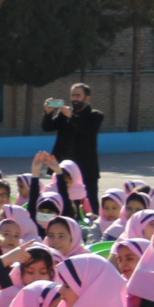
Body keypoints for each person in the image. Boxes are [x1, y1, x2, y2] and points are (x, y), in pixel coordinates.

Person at [42, 82, 104, 213]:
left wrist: (71, 117)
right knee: (60, 200)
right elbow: (47, 127)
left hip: (86, 168)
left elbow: (89, 131)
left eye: (78, 95)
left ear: (87, 98)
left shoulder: (95, 115)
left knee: (90, 203)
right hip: (63, 168)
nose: (75, 99)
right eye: (73, 95)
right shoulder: (64, 114)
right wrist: (48, 113)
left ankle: (94, 229)